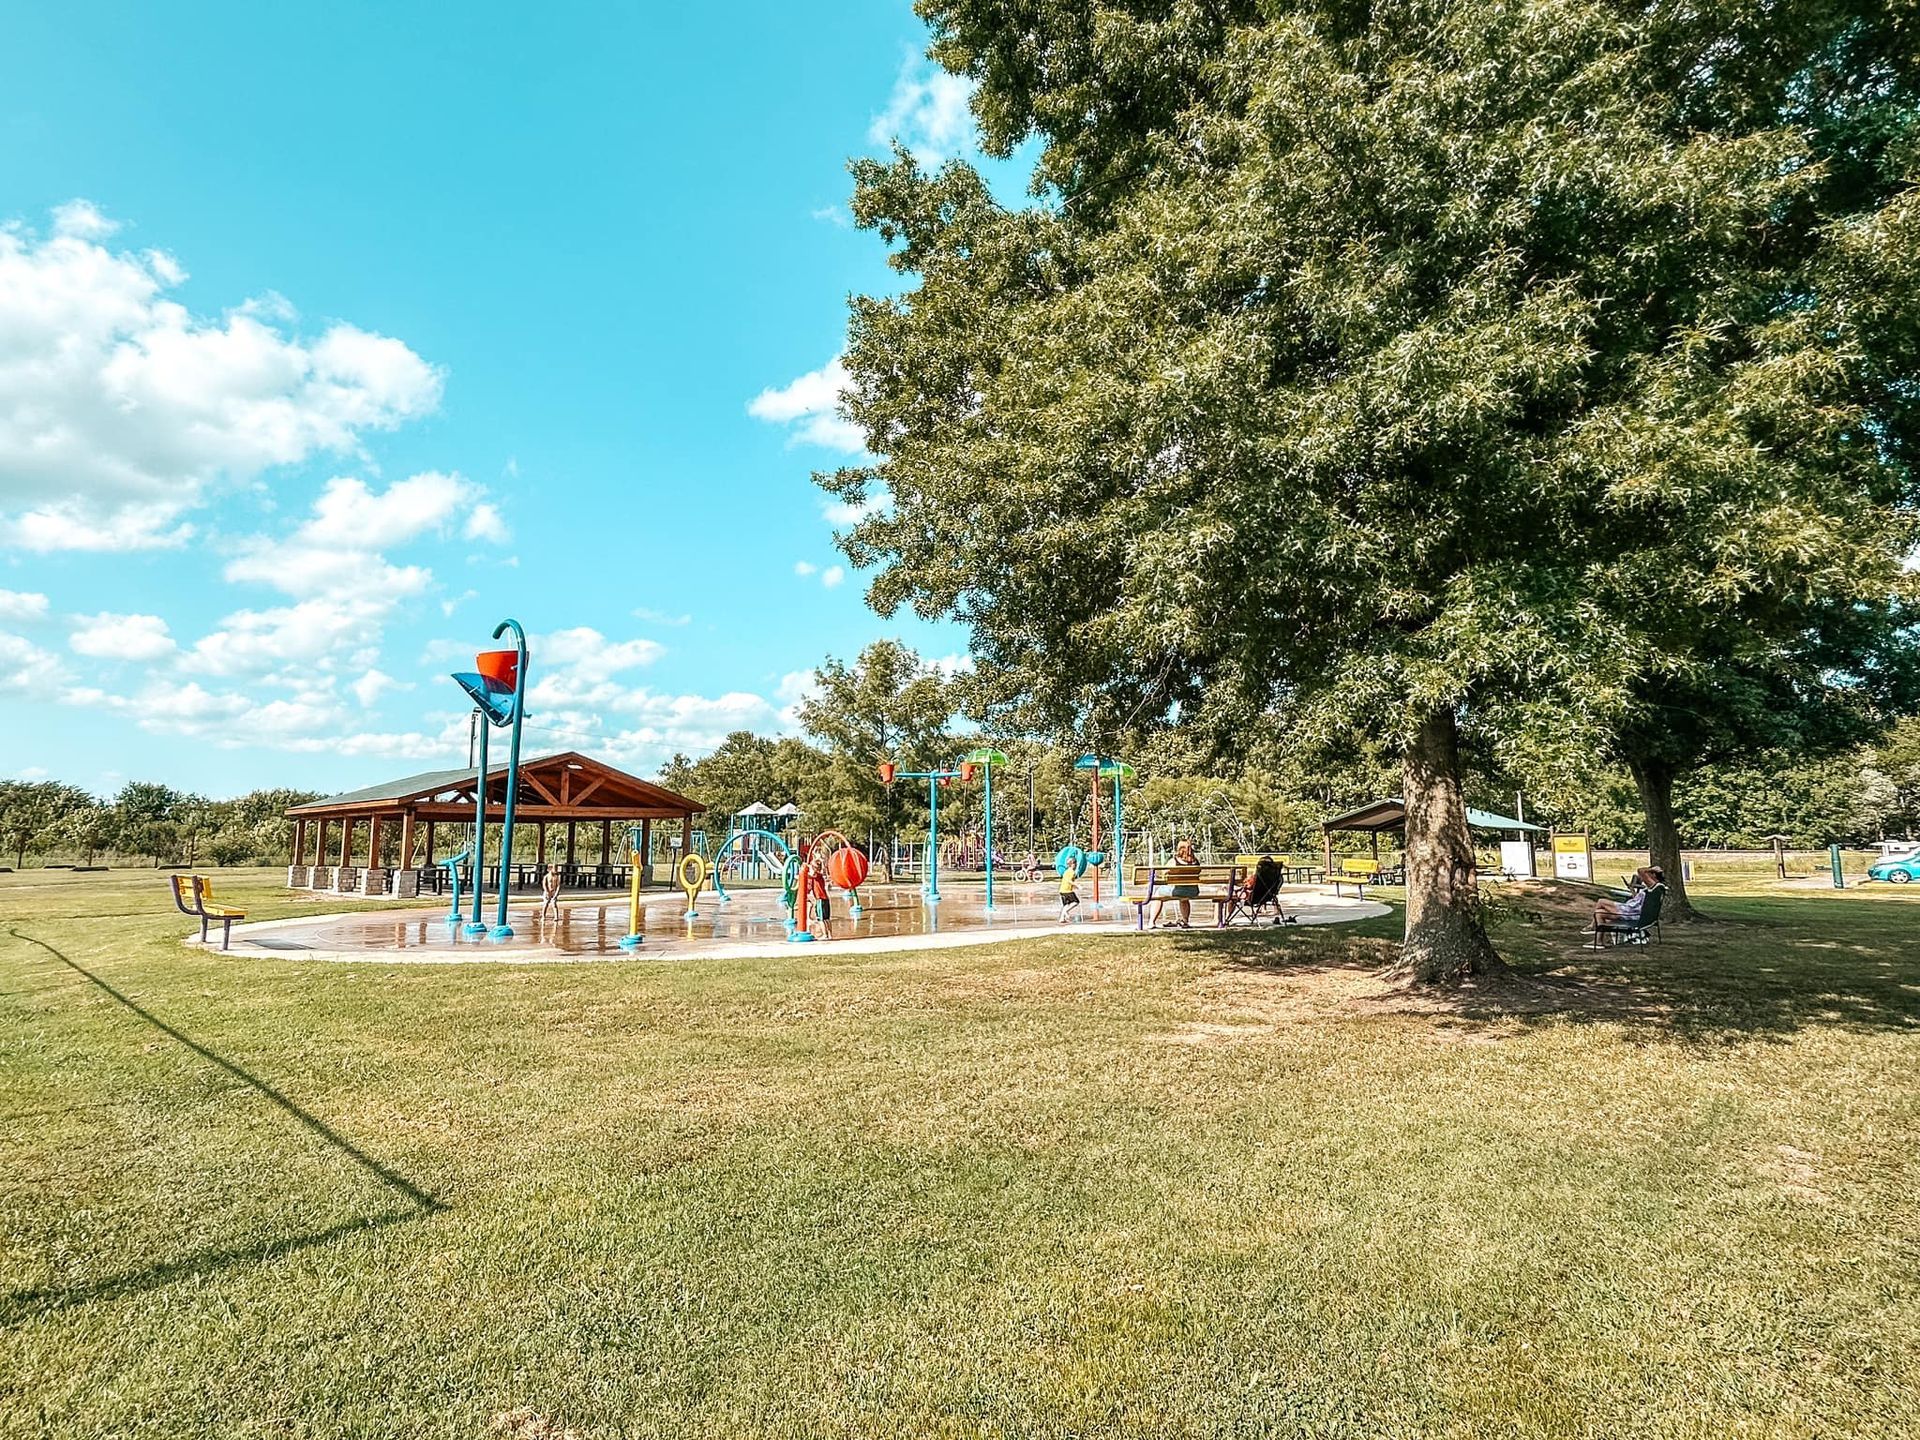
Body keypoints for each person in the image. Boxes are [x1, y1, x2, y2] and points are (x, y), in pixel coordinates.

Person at [1593, 866, 1665, 930]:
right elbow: (1637, 901)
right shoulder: (1650, 888)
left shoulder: (1655, 886)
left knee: (1601, 901)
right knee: (1599, 912)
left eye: (1649, 874)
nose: (1645, 877)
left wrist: (1652, 869)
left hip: (1631, 912)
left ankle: (1592, 927)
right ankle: (1599, 941)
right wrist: (1632, 890)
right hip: (1632, 909)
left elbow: (1640, 870)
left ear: (1654, 875)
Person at [1159, 837, 1202, 928]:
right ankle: (1185, 921)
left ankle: (1151, 922)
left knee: (1157, 893)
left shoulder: (1174, 861)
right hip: (1193, 891)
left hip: (1178, 891)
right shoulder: (1196, 862)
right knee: (1184, 898)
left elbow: (1162, 872)